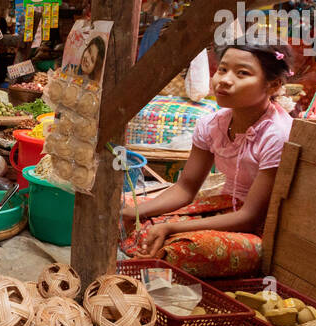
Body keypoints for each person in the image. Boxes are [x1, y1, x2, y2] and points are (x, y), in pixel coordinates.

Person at [120, 39, 293, 278]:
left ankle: (160, 253)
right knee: (130, 212)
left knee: (185, 248)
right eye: (222, 69)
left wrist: (170, 227)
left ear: (273, 85)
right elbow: (186, 187)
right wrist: (136, 214)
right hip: (222, 209)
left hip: (259, 229)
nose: (224, 79)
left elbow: (250, 217)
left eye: (242, 73)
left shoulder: (278, 135)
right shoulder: (213, 123)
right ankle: (155, 249)